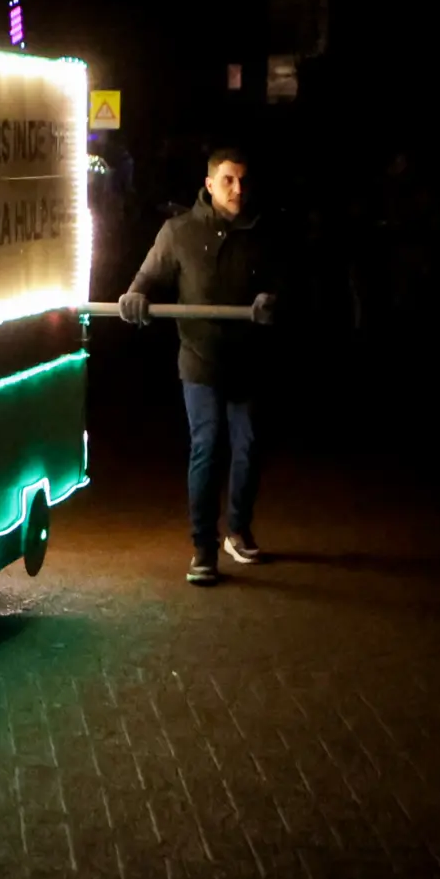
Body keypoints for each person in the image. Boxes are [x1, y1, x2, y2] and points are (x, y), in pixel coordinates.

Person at [118, 147, 283, 586]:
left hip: (248, 362)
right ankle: (203, 549)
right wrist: (135, 296)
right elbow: (146, 279)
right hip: (200, 360)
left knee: (249, 447)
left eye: (243, 180)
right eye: (228, 180)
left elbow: (281, 283)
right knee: (207, 447)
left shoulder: (262, 233)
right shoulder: (179, 232)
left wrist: (272, 300)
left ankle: (238, 530)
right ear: (209, 185)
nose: (237, 189)